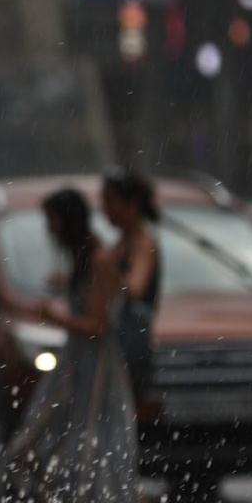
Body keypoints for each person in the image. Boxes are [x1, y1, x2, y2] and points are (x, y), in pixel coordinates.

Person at [8, 187, 163, 503]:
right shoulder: (86, 259)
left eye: (53, 221)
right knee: (47, 450)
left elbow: (96, 324)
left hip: (96, 373)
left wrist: (54, 316)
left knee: (92, 461)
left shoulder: (99, 258)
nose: (49, 229)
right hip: (75, 366)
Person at [102, 168, 162, 406]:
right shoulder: (121, 243)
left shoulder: (143, 244)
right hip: (119, 340)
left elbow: (135, 288)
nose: (106, 209)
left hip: (132, 343)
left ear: (132, 203)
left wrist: (105, 273)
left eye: (110, 201)